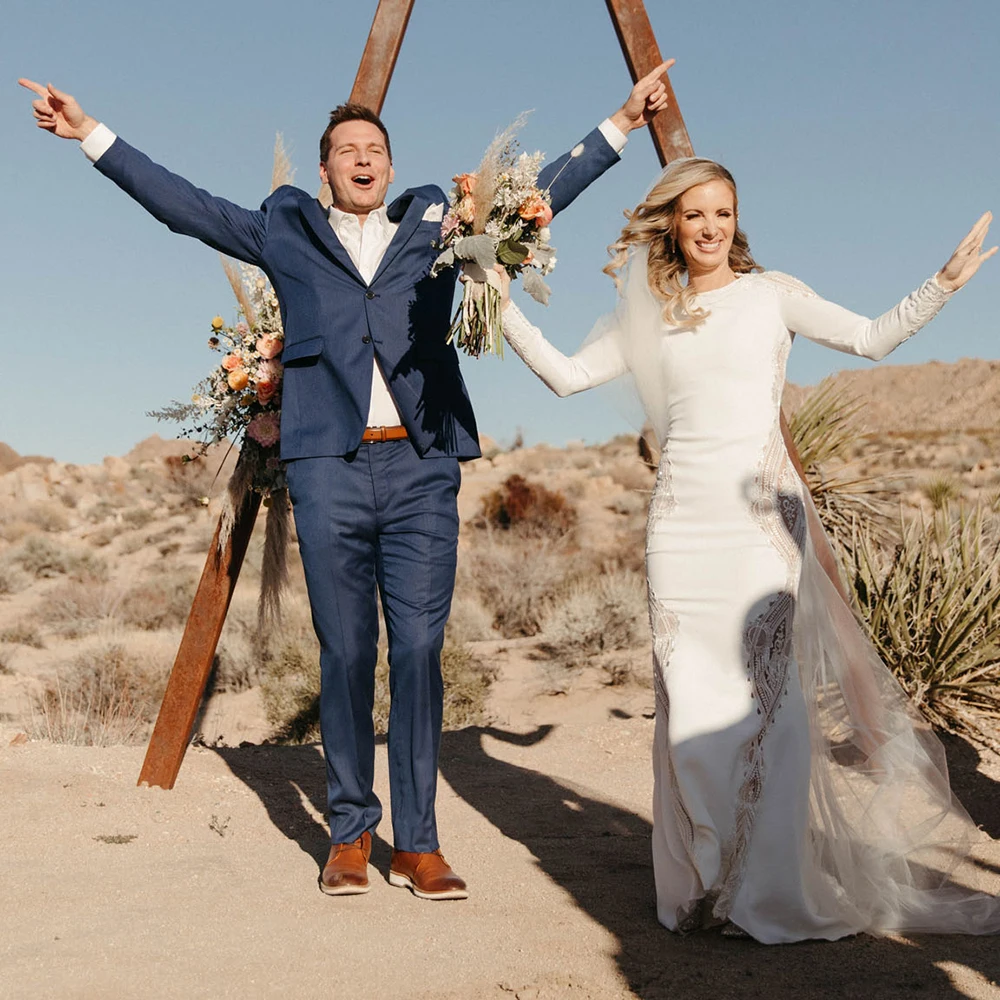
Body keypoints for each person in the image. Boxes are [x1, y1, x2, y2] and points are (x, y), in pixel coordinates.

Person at [19, 67, 673, 899]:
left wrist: (617, 123)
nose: (362, 160)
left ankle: (421, 843)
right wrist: (92, 135)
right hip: (326, 464)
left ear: (391, 169)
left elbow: (539, 196)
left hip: (420, 465)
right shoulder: (284, 230)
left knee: (420, 650)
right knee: (347, 651)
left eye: (375, 150)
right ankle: (350, 834)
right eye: (345, 151)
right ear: (325, 171)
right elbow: (186, 207)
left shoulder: (439, 227)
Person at [496, 156, 1000, 942]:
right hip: (678, 531)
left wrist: (942, 283)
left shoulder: (773, 296)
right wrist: (491, 297)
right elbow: (564, 379)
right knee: (689, 707)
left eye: (723, 213)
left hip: (759, 527)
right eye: (695, 214)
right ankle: (701, 885)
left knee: (774, 710)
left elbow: (869, 339)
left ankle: (764, 891)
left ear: (737, 220)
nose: (709, 227)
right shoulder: (649, 314)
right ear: (672, 221)